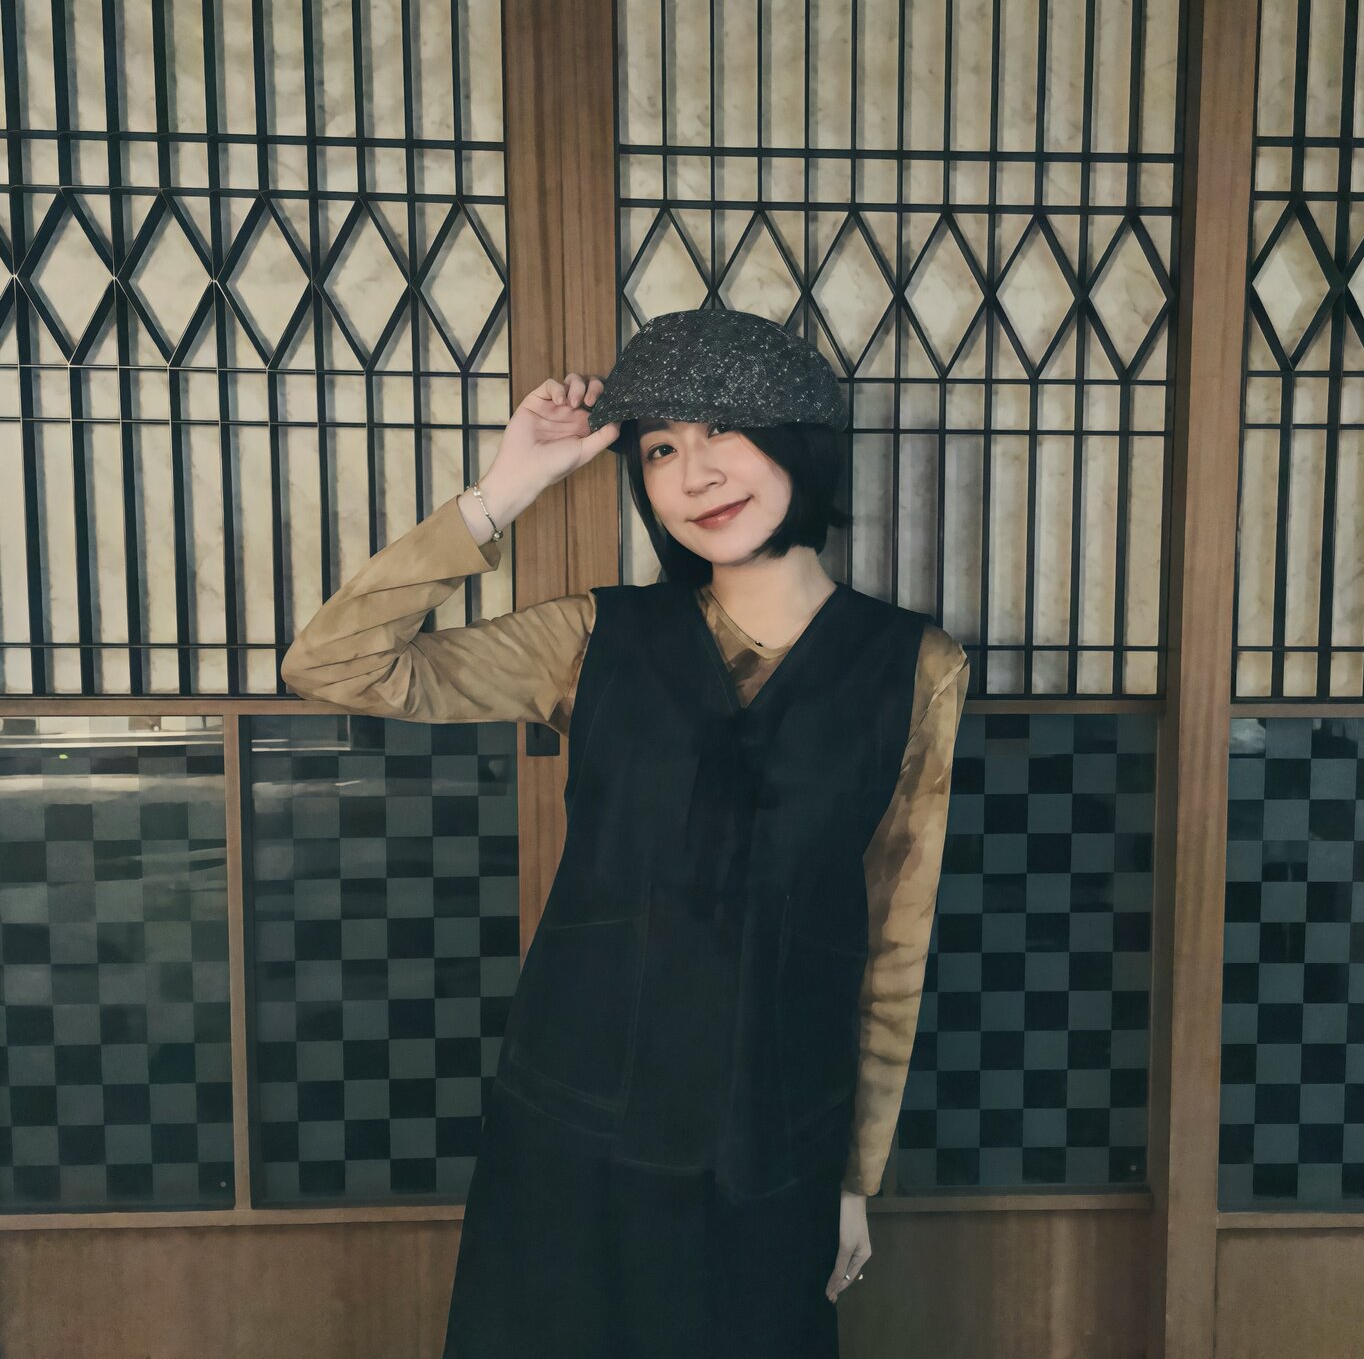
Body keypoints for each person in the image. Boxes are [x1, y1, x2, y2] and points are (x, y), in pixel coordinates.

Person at [280, 308, 970, 1357]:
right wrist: (504, 491)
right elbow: (334, 663)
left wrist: (852, 1179)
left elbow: (895, 942)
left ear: (797, 442)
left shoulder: (914, 666)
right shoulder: (594, 636)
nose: (695, 475)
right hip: (574, 1114)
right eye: (659, 450)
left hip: (773, 1133)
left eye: (723, 430)